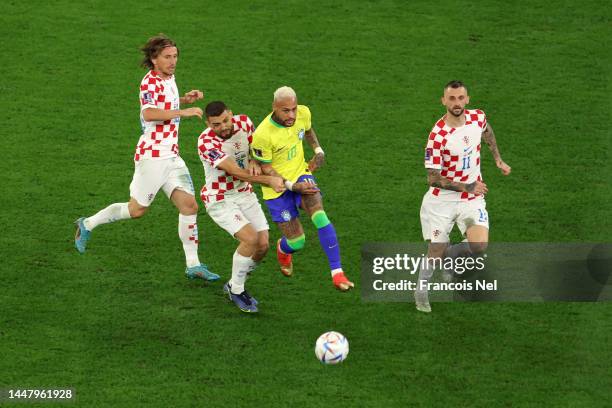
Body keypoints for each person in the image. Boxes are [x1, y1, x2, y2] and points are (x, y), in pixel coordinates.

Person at [74, 34, 219, 282]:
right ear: (154, 59)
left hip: (171, 156)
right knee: (137, 210)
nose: (173, 61)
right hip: (152, 156)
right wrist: (182, 111)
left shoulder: (169, 77)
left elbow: (165, 101)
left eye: (175, 56)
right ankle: (87, 224)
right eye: (167, 57)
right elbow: (150, 112)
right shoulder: (148, 82)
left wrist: (184, 99)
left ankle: (193, 265)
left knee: (190, 206)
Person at [415, 80, 512, 313]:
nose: (457, 103)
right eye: (451, 98)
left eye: (460, 98)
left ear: (467, 99)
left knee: (479, 245)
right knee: (436, 251)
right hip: (442, 200)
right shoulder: (437, 136)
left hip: (471, 196)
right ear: (443, 101)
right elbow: (433, 178)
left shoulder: (478, 117)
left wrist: (498, 159)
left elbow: (487, 132)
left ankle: (451, 258)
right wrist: (468, 186)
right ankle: (421, 289)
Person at [250, 86, 354, 291]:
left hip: (301, 174)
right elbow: (266, 169)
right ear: (274, 107)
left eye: (294, 109)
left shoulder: (303, 113)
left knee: (320, 216)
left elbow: (308, 130)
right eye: (285, 110)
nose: (291, 115)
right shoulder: (262, 134)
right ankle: (283, 248)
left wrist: (318, 150)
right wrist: (292, 186)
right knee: (297, 242)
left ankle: (337, 273)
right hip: (277, 189)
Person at [198, 101, 285, 313]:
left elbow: (257, 148)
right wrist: (269, 180)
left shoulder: (245, 123)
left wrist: (255, 160)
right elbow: (235, 171)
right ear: (208, 124)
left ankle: (235, 282)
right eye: (216, 124)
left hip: (244, 193)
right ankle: (236, 290)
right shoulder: (206, 143)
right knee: (250, 239)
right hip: (220, 197)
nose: (223, 127)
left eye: (226, 121)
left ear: (231, 115)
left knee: (263, 245)